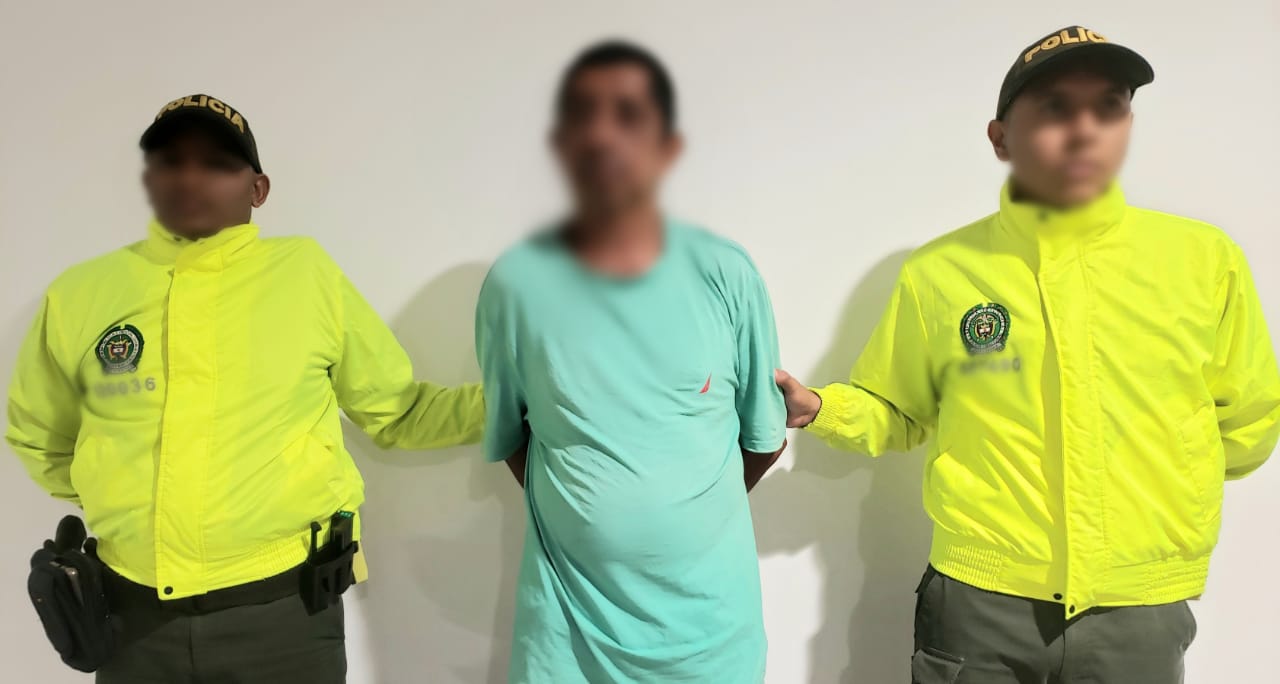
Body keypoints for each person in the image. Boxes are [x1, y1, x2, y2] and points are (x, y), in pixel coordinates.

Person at [775, 26, 1280, 684]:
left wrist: (1158, 494)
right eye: (1054, 108)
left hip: (1139, 606)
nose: (1085, 129)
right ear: (1000, 138)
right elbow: (896, 407)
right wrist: (820, 408)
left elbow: (1249, 419)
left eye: (1109, 107)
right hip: (980, 602)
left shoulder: (1203, 261)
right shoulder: (942, 272)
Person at [6, 94, 486, 683]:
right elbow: (40, 437)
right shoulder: (81, 294)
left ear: (257, 189)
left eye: (216, 163)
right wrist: (128, 498)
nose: (190, 177)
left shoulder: (305, 275)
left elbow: (399, 412)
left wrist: (522, 402)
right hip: (132, 625)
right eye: (171, 161)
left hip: (285, 620)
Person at [476, 41, 788, 683]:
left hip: (710, 641)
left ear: (667, 146)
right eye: (583, 115)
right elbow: (511, 438)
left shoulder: (727, 274)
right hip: (566, 638)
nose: (603, 136)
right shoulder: (514, 286)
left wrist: (683, 521)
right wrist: (593, 521)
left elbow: (763, 438)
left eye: (628, 115)